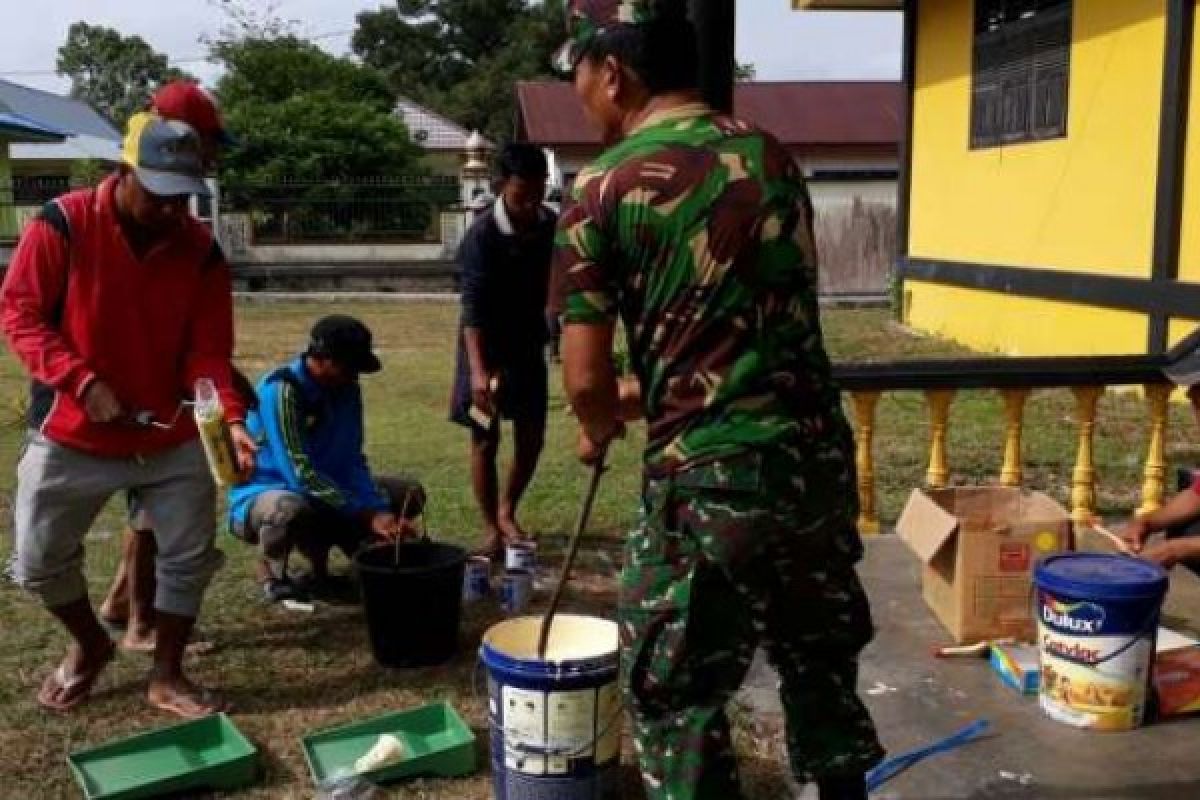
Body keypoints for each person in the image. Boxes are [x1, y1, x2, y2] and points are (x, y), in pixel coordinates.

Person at [552, 2, 885, 798]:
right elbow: (737, 349)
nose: (579, 98)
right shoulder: (772, 157)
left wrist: (597, 423)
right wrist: (631, 403)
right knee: (820, 671)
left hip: (705, 486)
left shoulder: (601, 190)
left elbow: (586, 381)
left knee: (676, 695)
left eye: (579, 80)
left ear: (614, 72)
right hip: (813, 467)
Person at [1, 111, 256, 718]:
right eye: (160, 195)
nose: (173, 211)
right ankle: (91, 643)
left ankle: (167, 673)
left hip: (169, 436)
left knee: (188, 555)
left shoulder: (199, 250)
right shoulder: (63, 224)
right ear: (123, 171)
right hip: (75, 432)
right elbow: (20, 314)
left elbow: (209, 352)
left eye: (183, 198)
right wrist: (81, 381)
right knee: (36, 559)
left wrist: (235, 422)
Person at [98, 79, 240, 652]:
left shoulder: (186, 233)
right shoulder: (115, 210)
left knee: (149, 507)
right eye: (208, 142)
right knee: (150, 510)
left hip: (165, 378)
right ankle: (141, 624)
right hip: (115, 388)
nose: (210, 156)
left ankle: (119, 604)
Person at [228, 315, 426, 603]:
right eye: (349, 367)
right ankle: (272, 572)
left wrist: (379, 510)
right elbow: (301, 475)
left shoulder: (346, 387)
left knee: (409, 493)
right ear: (323, 359)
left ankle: (340, 565)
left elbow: (352, 459)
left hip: (330, 487)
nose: (355, 376)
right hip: (273, 491)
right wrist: (369, 516)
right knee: (290, 508)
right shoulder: (282, 392)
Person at [450, 143, 557, 557]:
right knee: (484, 437)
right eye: (520, 195)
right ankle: (490, 525)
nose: (530, 204)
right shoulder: (482, 235)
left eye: (536, 193)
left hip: (528, 347)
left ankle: (508, 509)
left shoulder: (550, 225)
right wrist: (478, 373)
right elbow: (472, 311)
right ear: (499, 187)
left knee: (531, 435)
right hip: (484, 350)